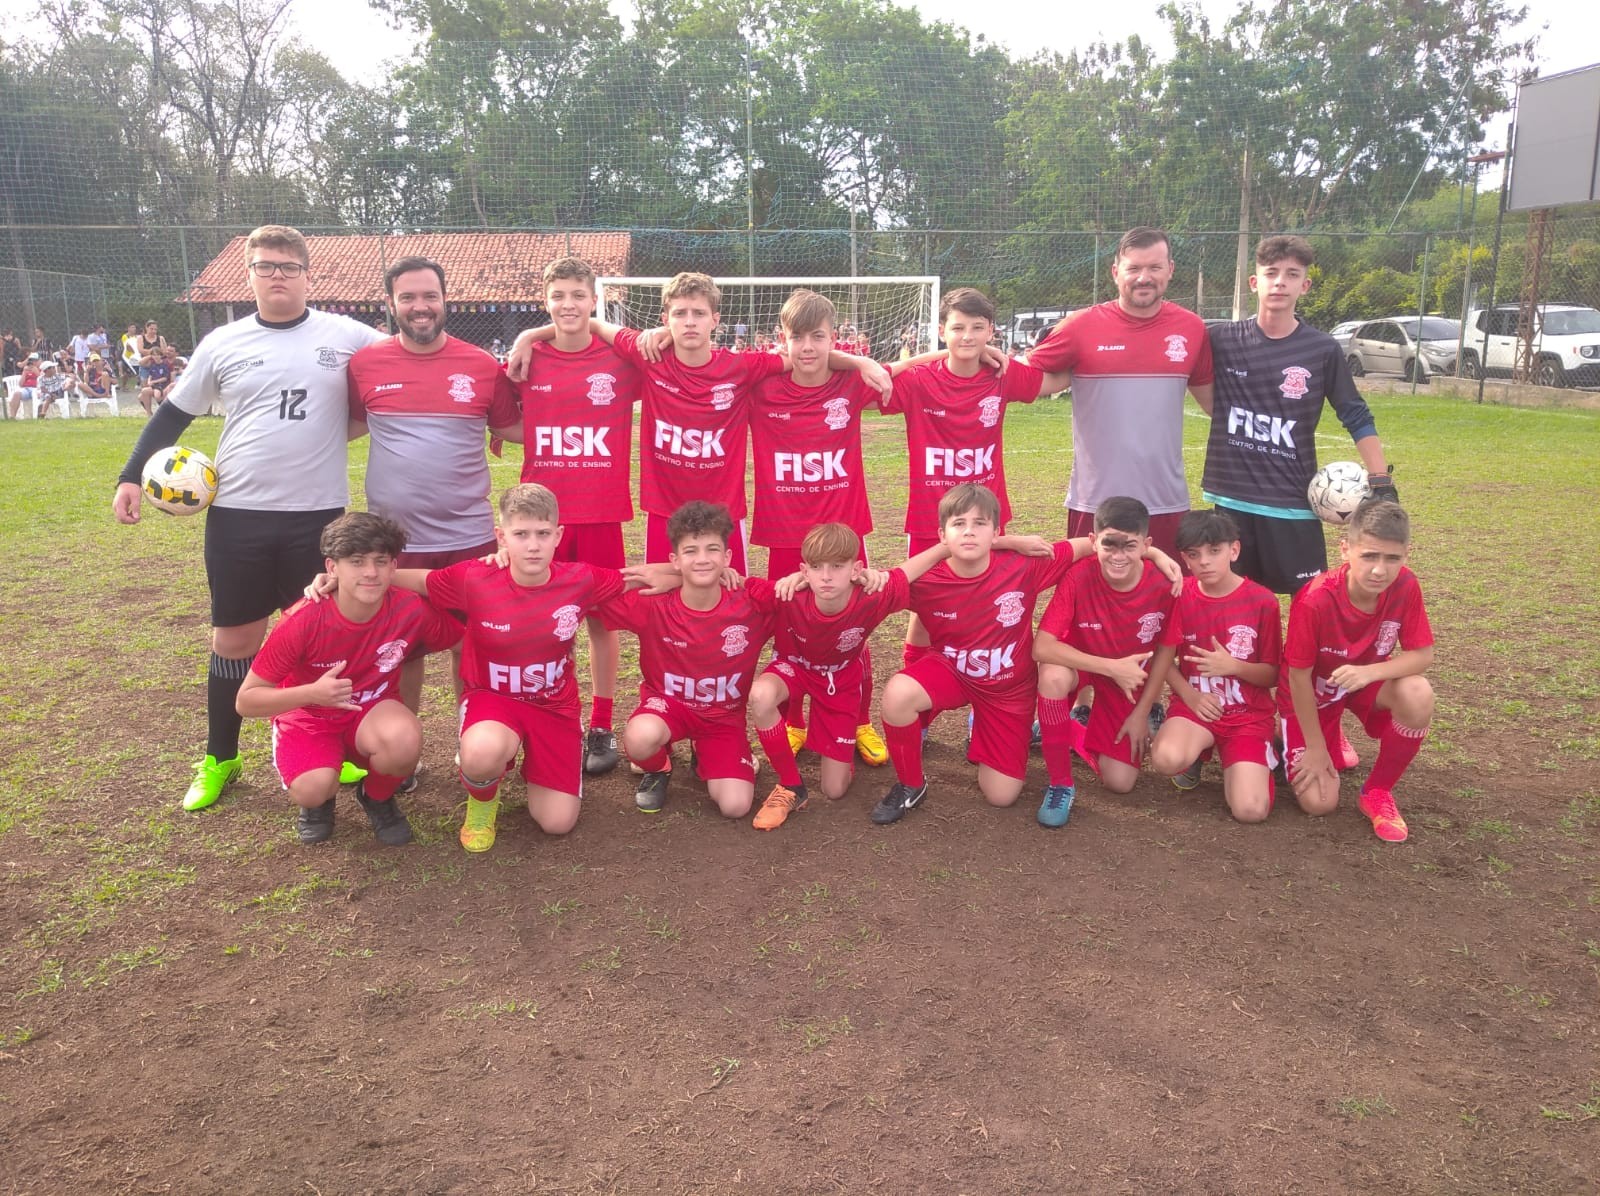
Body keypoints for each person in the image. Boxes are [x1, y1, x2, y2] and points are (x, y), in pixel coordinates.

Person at [112, 224, 387, 813]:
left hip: (319, 517)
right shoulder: (223, 342)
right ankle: (221, 756)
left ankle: (321, 744)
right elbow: (172, 417)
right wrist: (130, 474)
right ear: (250, 276)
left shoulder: (347, 335)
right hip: (237, 514)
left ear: (308, 274)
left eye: (288, 266)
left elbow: (407, 359)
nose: (277, 275)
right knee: (235, 640)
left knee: (314, 636)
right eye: (266, 266)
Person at [506, 271, 890, 575]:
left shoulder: (742, 368)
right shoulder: (648, 355)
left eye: (699, 313)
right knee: (663, 596)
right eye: (679, 314)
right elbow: (593, 326)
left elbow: (806, 357)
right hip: (664, 509)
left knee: (731, 596)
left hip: (724, 511)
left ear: (715, 320)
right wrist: (529, 335)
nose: (689, 322)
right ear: (664, 319)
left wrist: (860, 362)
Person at [346, 254, 522, 717]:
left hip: (470, 536)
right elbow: (344, 425)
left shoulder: (482, 365)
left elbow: (515, 428)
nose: (419, 306)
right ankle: (404, 751)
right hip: (398, 540)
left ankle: (473, 737)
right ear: (391, 303)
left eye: (429, 296)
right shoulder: (365, 364)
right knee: (402, 650)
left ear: (446, 301)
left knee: (472, 647)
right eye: (408, 297)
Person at [871, 483, 1094, 825]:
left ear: (997, 531)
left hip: (1008, 689)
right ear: (941, 535)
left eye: (980, 524)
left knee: (1001, 796)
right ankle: (911, 785)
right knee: (898, 694)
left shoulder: (1023, 565)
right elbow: (884, 584)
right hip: (953, 672)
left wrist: (1152, 555)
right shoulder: (928, 580)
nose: (969, 531)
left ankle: (985, 732)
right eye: (959, 524)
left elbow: (1086, 545)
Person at [236, 513, 461, 846]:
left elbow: (464, 640)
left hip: (368, 712)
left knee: (403, 739)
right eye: (356, 562)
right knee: (313, 788)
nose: (370, 572)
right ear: (332, 568)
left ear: (393, 566)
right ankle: (320, 801)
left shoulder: (409, 608)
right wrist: (312, 693)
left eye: (380, 562)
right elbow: (246, 700)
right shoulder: (303, 619)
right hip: (309, 717)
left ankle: (377, 797)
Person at [880, 287, 1070, 668]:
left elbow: (1058, 379)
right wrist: (922, 359)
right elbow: (866, 385)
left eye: (977, 328)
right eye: (957, 328)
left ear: (991, 331)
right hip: (931, 518)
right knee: (927, 605)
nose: (967, 336)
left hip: (986, 517)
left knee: (985, 597)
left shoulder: (1002, 375)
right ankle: (914, 675)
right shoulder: (918, 381)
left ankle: (983, 678)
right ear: (941, 330)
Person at [1202, 235, 1397, 594]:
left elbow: (1354, 413)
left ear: (1304, 285)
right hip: (1231, 500)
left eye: (1291, 274)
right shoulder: (1221, 340)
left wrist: (1380, 479)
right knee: (1232, 600)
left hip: (1291, 500)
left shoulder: (1321, 349)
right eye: (1271, 272)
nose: (1279, 281)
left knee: (1310, 600)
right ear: (1254, 282)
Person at [752, 288, 897, 766]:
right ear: (782, 340)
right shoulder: (762, 386)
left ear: (835, 338)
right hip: (784, 532)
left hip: (843, 533)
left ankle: (858, 720)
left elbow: (916, 369)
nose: (809, 348)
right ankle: (794, 720)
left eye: (820, 338)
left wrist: (859, 365)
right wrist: (853, 359)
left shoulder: (850, 385)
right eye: (798, 337)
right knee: (789, 631)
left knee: (854, 628)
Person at [513, 257, 643, 776]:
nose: (568, 305)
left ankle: (603, 723)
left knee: (601, 621)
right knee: (541, 620)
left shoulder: (620, 359)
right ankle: (548, 717)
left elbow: (646, 340)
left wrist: (532, 329)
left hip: (600, 513)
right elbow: (503, 420)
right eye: (558, 296)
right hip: (541, 517)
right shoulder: (528, 359)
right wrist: (529, 336)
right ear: (547, 301)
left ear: (595, 301)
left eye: (578, 296)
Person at [1026, 226, 1215, 561]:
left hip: (1165, 500)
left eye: (1155, 268)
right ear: (1116, 273)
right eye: (1134, 268)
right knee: (1091, 602)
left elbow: (1217, 405)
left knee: (1165, 600)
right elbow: (1022, 376)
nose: (1144, 277)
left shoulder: (1191, 329)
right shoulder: (1080, 326)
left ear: (1170, 270)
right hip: (1095, 501)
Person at [749, 525, 950, 830]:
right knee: (761, 694)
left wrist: (948, 546)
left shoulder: (871, 594)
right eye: (816, 568)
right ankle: (791, 787)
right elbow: (729, 583)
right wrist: (670, 574)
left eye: (837, 567)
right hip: (795, 668)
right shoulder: (786, 594)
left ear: (857, 569)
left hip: (839, 680)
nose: (826, 576)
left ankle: (844, 743)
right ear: (804, 571)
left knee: (834, 790)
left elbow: (907, 570)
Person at [596, 500, 780, 819]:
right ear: (675, 560)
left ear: (728, 557)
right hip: (668, 708)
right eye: (691, 551)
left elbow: (804, 596)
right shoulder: (653, 602)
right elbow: (591, 588)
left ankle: (714, 755)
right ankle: (660, 768)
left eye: (712, 550)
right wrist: (657, 574)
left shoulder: (750, 602)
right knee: (640, 739)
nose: (703, 559)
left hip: (721, 718)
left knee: (735, 806)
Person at [1280, 497, 1434, 843]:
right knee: (1319, 803)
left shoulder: (1406, 585)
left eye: (1392, 558)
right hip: (1314, 693)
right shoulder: (1314, 599)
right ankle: (1310, 735)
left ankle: (1377, 792)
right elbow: (1297, 676)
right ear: (1345, 549)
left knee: (1418, 692)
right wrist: (1316, 749)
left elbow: (1422, 655)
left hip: (1362, 683)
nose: (1380, 570)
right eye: (1369, 556)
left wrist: (1369, 673)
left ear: (1406, 555)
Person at [1033, 497, 1183, 824]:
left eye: (1129, 546)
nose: (1117, 556)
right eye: (1108, 545)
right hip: (1086, 664)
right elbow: (1042, 648)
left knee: (1120, 782)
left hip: (1126, 680)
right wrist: (1110, 667)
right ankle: (1060, 783)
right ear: (1093, 542)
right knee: (1053, 677)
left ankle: (1064, 728)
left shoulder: (1164, 585)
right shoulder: (1078, 576)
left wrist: (1142, 712)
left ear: (1147, 545)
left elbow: (1166, 651)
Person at [1147, 510, 1283, 822]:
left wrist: (1234, 666)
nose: (1204, 561)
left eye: (1214, 551)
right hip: (1196, 708)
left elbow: (1273, 674)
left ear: (1234, 550)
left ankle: (1255, 760)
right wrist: (1190, 696)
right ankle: (1199, 752)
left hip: (1247, 716)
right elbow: (1162, 657)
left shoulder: (1263, 602)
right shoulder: (1179, 595)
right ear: (1184, 558)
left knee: (1251, 811)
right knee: (1166, 759)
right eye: (1194, 555)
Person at [8, 354, 40, 419]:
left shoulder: (42, 368)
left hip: (37, 389)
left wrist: (36, 372)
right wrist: (24, 373)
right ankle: (12, 416)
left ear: (39, 361)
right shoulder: (27, 369)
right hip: (26, 389)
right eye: (31, 361)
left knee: (34, 393)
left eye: (35, 360)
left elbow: (42, 379)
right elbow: (20, 384)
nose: (33, 362)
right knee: (17, 394)